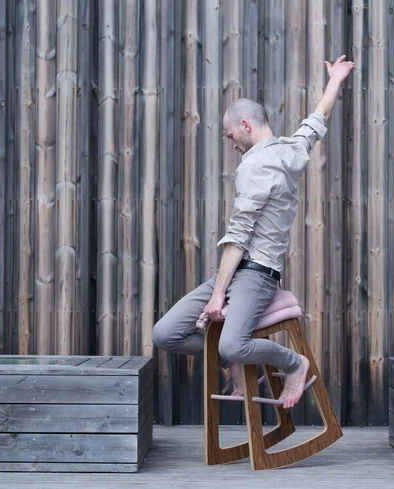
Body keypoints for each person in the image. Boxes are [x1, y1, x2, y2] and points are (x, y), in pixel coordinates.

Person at [152, 56, 356, 409]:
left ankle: (293, 363)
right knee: (165, 334)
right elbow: (317, 119)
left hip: (256, 276)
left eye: (231, 135)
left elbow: (239, 236)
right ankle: (235, 360)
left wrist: (217, 296)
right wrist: (335, 80)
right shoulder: (293, 149)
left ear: (245, 125)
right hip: (235, 274)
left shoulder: (255, 166)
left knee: (233, 344)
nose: (232, 144)